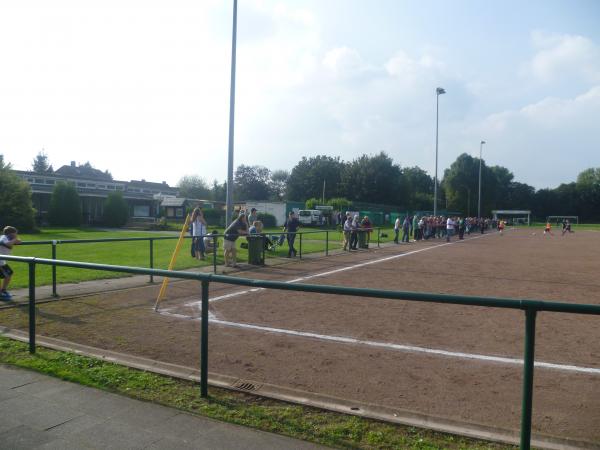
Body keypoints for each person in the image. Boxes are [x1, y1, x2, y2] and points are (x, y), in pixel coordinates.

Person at [0, 226, 22, 301]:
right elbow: (8, 244)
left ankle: (3, 290)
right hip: (0, 261)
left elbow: (19, 241)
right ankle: (2, 291)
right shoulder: (3, 237)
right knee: (8, 275)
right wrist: (15, 239)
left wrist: (15, 240)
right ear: (11, 233)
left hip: (2, 261)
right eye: (15, 233)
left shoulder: (8, 238)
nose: (16, 235)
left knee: (9, 274)